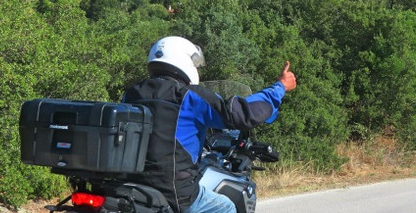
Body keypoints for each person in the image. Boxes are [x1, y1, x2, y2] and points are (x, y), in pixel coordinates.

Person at [121, 36, 297, 213]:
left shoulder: (132, 94)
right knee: (227, 207)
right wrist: (279, 88)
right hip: (175, 193)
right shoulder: (187, 95)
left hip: (133, 185)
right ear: (183, 60)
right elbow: (241, 114)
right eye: (195, 63)